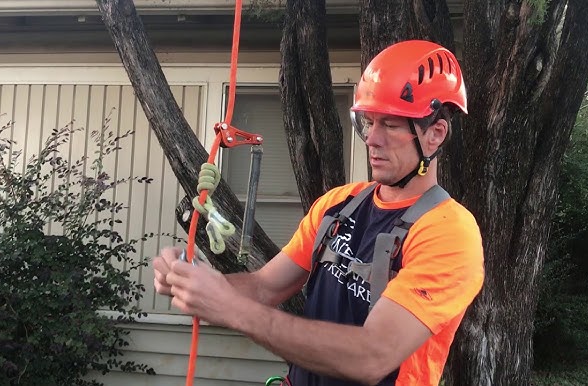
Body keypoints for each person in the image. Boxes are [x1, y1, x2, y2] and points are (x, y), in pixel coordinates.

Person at [153, 40, 484, 386]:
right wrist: (199, 283)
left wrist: (233, 310)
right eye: (367, 122)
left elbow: (372, 357)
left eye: (390, 124)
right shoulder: (339, 206)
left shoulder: (449, 233)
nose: (372, 138)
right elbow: (263, 288)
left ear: (435, 135)